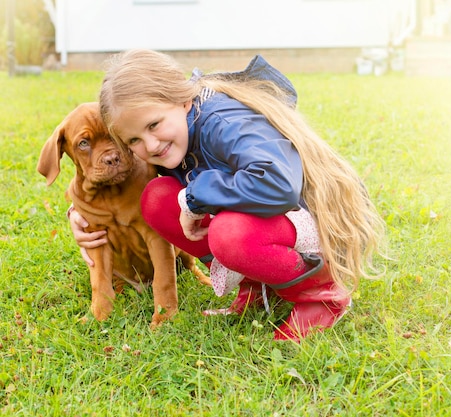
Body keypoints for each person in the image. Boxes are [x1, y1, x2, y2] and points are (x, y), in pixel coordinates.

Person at [69, 49, 385, 342]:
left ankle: (322, 296)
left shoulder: (222, 122)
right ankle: (257, 286)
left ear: (182, 100)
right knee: (157, 198)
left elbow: (279, 185)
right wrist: (80, 215)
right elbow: (128, 179)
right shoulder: (173, 135)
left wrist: (196, 195)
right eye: (134, 139)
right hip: (265, 221)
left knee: (229, 232)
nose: (150, 146)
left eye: (154, 125)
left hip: (311, 221)